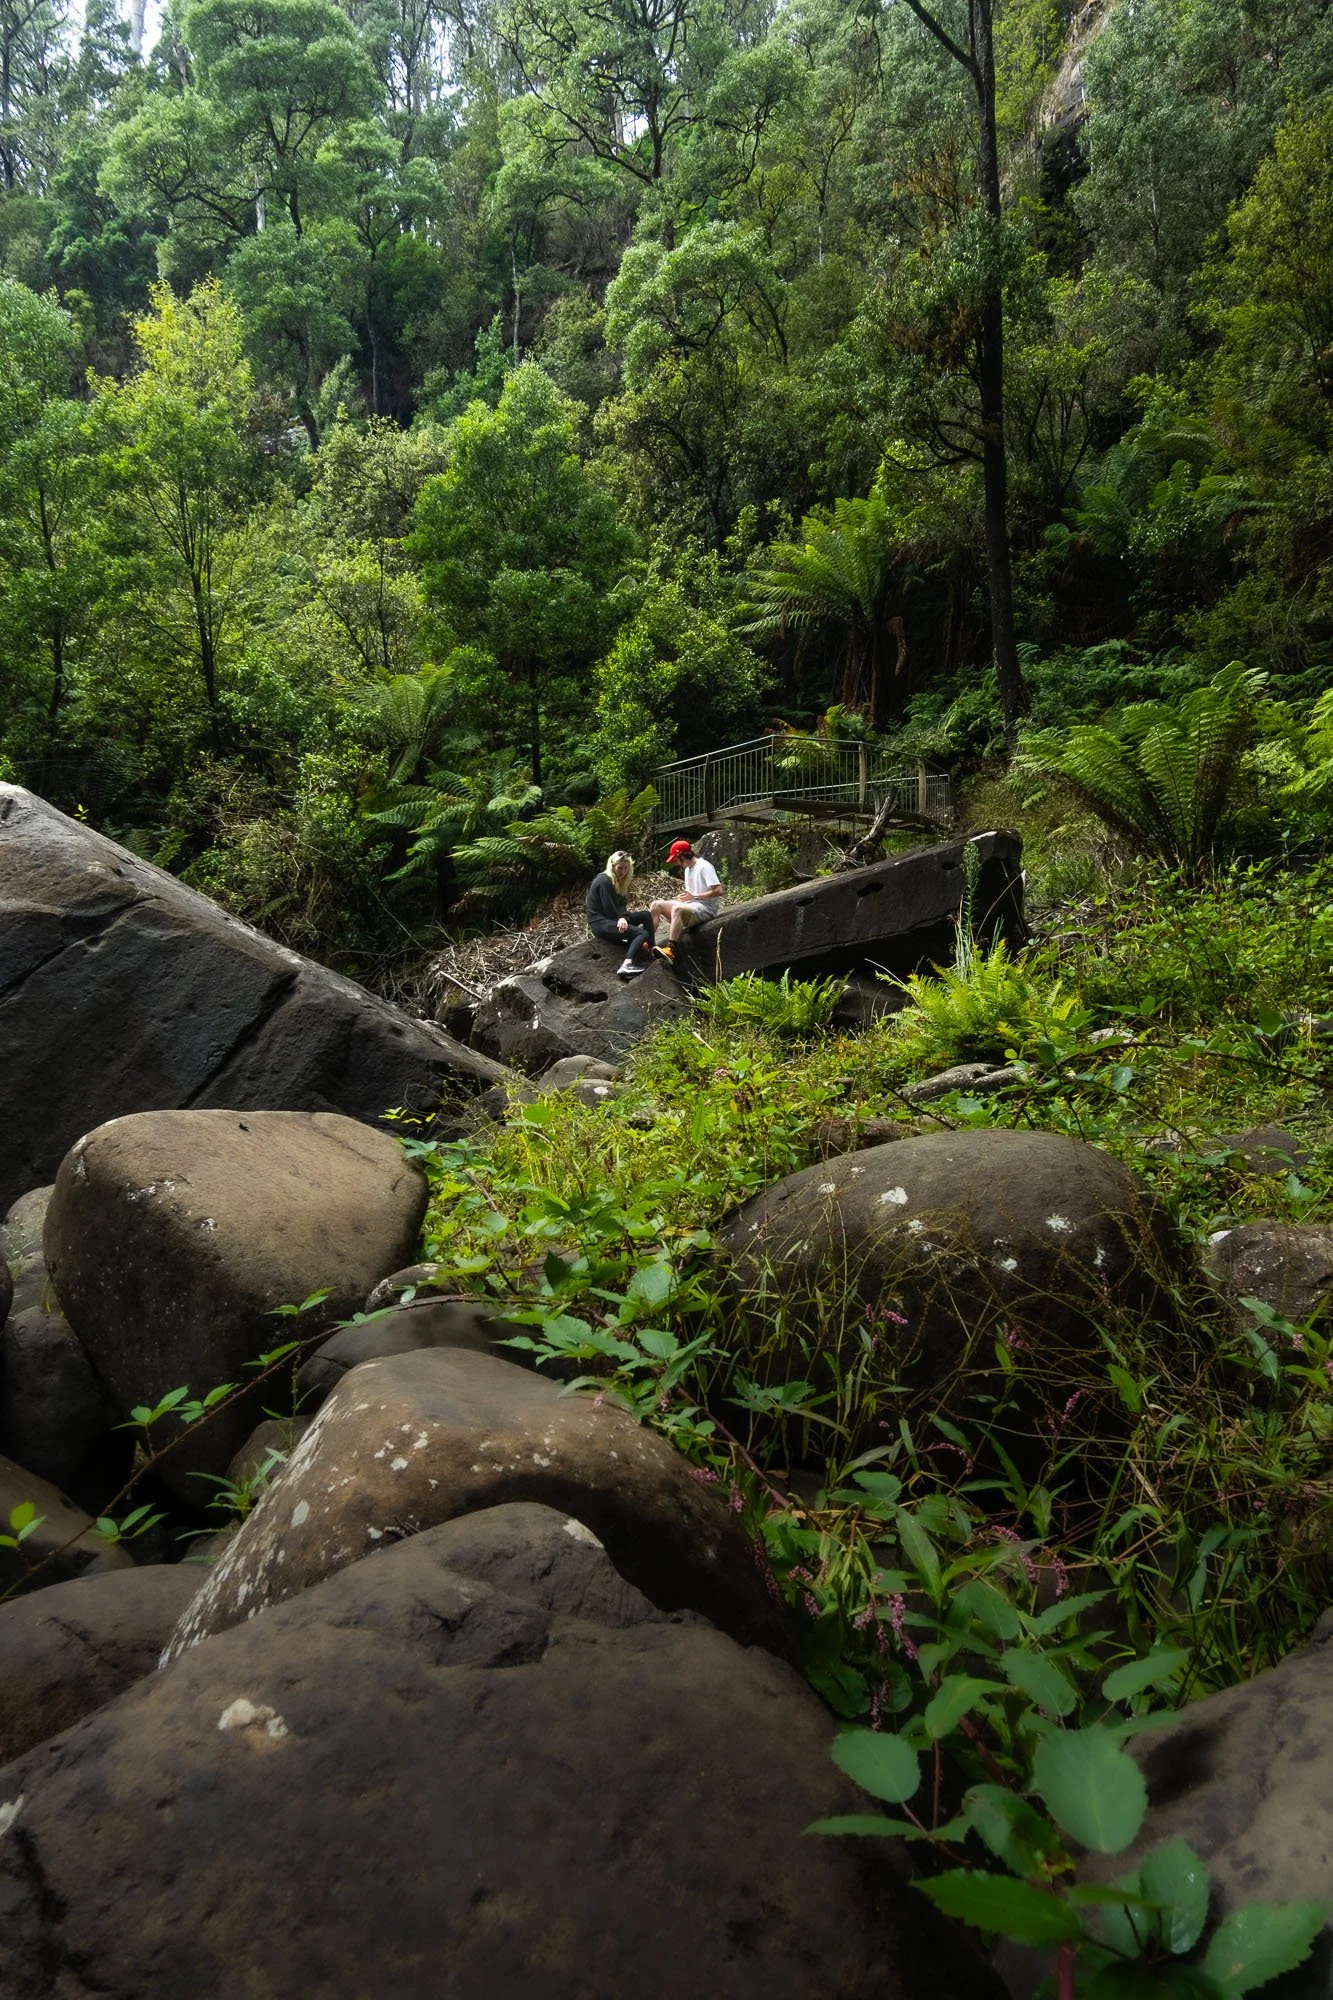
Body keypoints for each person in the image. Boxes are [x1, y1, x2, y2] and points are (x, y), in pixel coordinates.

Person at [650, 839, 723, 965]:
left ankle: (670, 950)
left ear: (681, 856)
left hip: (706, 909)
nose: (676, 863)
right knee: (657, 905)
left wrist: (694, 896)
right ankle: (648, 942)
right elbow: (692, 896)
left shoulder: (704, 866)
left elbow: (718, 890)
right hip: (692, 905)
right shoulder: (687, 869)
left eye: (675, 859)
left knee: (677, 909)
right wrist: (685, 897)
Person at [586, 850, 655, 979]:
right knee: (641, 933)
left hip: (612, 919)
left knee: (646, 915)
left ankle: (652, 950)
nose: (622, 872)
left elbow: (621, 904)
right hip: (600, 923)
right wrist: (622, 918)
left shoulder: (619, 881)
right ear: (612, 866)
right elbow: (609, 908)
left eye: (625, 868)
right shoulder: (604, 880)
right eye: (620, 868)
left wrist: (623, 916)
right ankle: (627, 964)